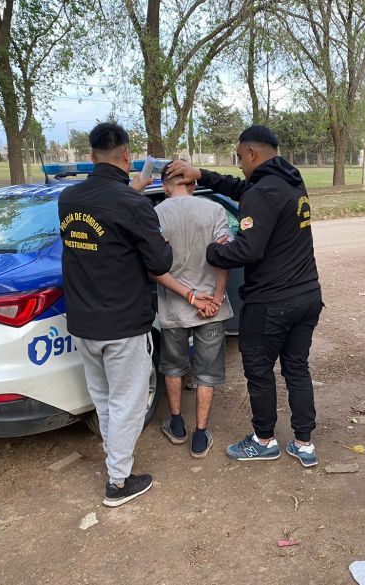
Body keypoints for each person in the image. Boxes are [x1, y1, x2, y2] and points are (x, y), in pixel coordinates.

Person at [167, 125, 323, 467]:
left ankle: (264, 440)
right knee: (297, 368)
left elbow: (248, 250)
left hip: (272, 302)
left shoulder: (262, 192)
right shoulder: (290, 180)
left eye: (239, 157)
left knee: (259, 370)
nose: (238, 165)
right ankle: (304, 443)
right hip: (307, 295)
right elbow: (243, 188)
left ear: (252, 153)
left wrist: (212, 252)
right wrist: (203, 174)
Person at [58, 122, 172, 507]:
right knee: (128, 403)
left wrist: (133, 188)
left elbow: (108, 213)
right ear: (127, 155)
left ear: (91, 157)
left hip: (84, 323)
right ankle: (119, 482)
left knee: (105, 401)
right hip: (123, 325)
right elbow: (160, 261)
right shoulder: (133, 205)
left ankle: (115, 466)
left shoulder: (69, 199)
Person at [150, 161, 234, 458]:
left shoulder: (155, 214)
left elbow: (153, 268)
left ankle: (176, 423)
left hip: (174, 307)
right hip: (212, 307)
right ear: (193, 184)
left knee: (173, 367)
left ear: (164, 186)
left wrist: (190, 296)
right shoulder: (214, 211)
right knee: (207, 371)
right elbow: (223, 257)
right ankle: (200, 433)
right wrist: (217, 297)